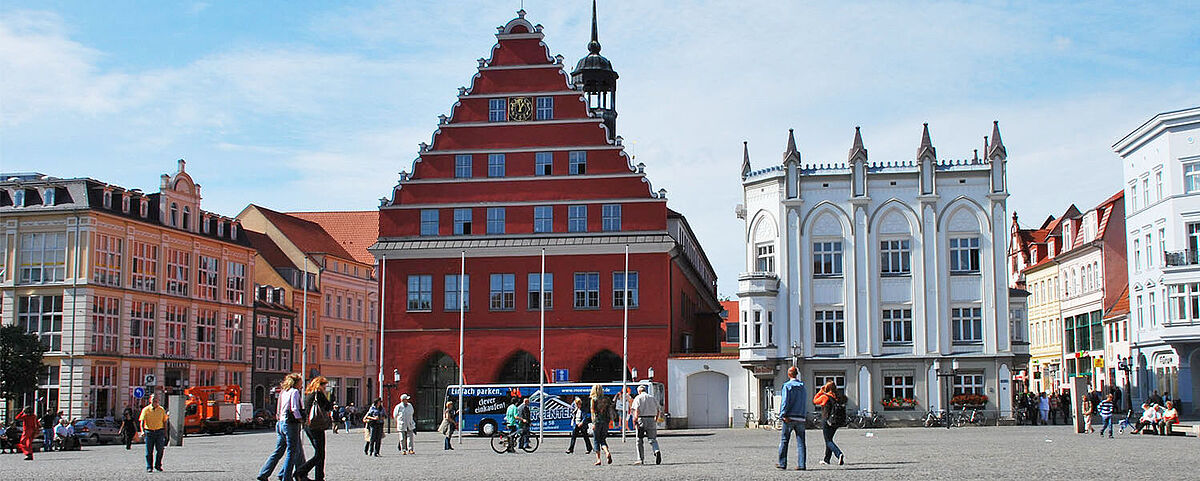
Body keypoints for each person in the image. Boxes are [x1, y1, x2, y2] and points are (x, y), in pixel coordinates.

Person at [257, 373, 305, 481]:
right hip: (290, 424)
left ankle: (264, 473)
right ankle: (286, 477)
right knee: (291, 451)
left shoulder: (284, 392)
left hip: (280, 423)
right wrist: (300, 419)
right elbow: (294, 408)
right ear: (296, 382)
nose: (302, 384)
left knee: (278, 451)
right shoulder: (295, 392)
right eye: (301, 382)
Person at [295, 376, 333, 481]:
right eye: (324, 386)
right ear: (319, 385)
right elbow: (328, 406)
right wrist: (328, 396)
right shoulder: (319, 395)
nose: (325, 388)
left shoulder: (308, 395)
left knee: (319, 453)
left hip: (309, 426)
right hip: (317, 426)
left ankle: (319, 477)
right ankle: (300, 472)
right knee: (320, 454)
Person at [776, 366, 807, 471]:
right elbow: (804, 401)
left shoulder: (787, 386)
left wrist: (782, 415)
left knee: (784, 440)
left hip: (789, 417)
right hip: (801, 417)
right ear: (796, 374)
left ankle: (782, 463)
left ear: (789, 374)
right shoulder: (802, 386)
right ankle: (801, 464)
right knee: (801, 442)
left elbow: (785, 401)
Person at [813, 380, 845, 466]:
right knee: (829, 439)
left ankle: (839, 454)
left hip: (826, 420)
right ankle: (827, 459)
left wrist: (820, 391)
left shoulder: (825, 397)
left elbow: (815, 400)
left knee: (828, 441)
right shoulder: (837, 397)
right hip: (835, 421)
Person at [630, 384, 662, 465]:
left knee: (639, 440)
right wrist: (655, 419)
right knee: (652, 439)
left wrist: (635, 419)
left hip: (642, 420)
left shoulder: (638, 398)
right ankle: (656, 450)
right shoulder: (652, 398)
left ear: (639, 391)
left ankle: (640, 459)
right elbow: (658, 409)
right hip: (651, 419)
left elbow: (636, 410)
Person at [140, 394, 169, 473]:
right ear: (150, 400)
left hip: (159, 432)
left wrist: (166, 433)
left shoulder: (161, 410)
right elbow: (142, 421)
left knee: (160, 450)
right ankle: (149, 466)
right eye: (153, 400)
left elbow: (165, 422)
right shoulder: (145, 410)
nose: (155, 401)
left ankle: (158, 465)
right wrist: (142, 431)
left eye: (156, 400)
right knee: (149, 451)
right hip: (149, 432)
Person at [590, 384, 614, 466]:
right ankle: (607, 452)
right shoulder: (606, 399)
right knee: (603, 439)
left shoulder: (593, 399)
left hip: (597, 421)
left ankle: (598, 459)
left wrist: (593, 423)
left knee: (596, 440)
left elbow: (593, 411)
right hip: (605, 421)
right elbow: (610, 409)